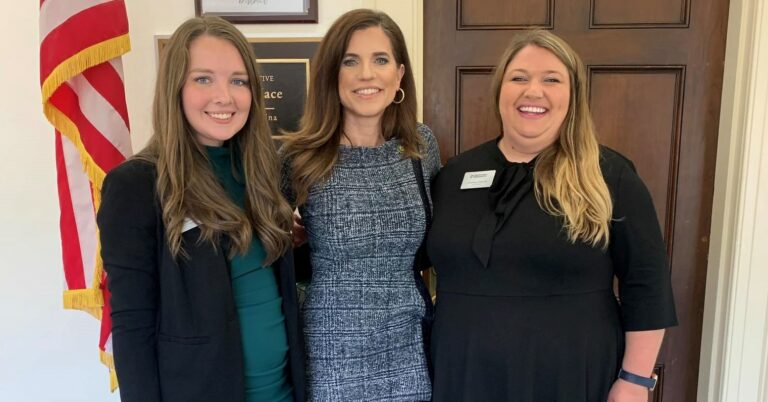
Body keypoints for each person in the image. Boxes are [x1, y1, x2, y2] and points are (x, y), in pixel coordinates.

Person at [426, 30, 678, 402]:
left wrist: (635, 381)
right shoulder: (455, 174)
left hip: (571, 376)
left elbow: (647, 284)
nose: (533, 91)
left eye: (551, 79)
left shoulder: (609, 174)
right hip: (463, 374)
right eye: (519, 78)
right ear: (500, 89)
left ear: (573, 95)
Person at [97, 16, 305, 402]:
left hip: (284, 393)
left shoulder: (264, 173)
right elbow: (132, 324)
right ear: (175, 87)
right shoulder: (136, 186)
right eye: (203, 79)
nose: (224, 96)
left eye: (238, 81)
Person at [278, 9, 439, 402]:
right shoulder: (300, 156)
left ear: (399, 75)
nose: (367, 74)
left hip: (410, 350)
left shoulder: (421, 147)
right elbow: (266, 241)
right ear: (333, 73)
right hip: (329, 355)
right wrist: (286, 230)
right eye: (351, 61)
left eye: (380, 60)